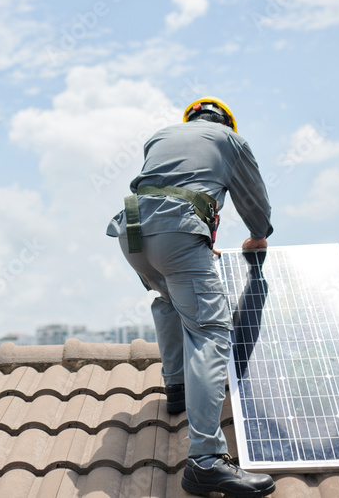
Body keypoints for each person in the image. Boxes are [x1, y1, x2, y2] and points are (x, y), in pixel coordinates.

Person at [106, 97, 276, 497]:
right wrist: (258, 234)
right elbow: (253, 201)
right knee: (210, 333)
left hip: (132, 235)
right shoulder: (230, 141)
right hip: (176, 234)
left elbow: (168, 188)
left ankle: (177, 387)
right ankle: (206, 460)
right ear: (226, 124)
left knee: (168, 298)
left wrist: (191, 243)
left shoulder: (159, 136)